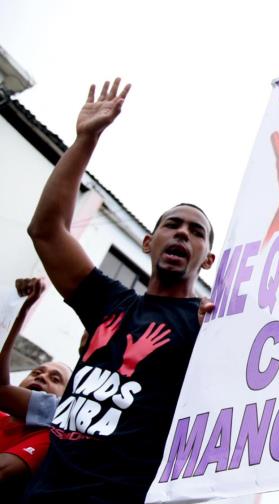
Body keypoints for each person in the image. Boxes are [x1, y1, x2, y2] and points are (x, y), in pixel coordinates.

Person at [24, 78, 217, 502]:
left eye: (196, 232)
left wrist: (222, 331)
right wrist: (86, 139)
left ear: (208, 259)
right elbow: (47, 231)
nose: (182, 234)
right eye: (172, 225)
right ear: (148, 242)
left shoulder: (207, 325)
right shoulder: (108, 302)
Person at [0, 278, 70, 497]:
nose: (42, 377)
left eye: (55, 379)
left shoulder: (49, 437)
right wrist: (21, 310)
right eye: (36, 372)